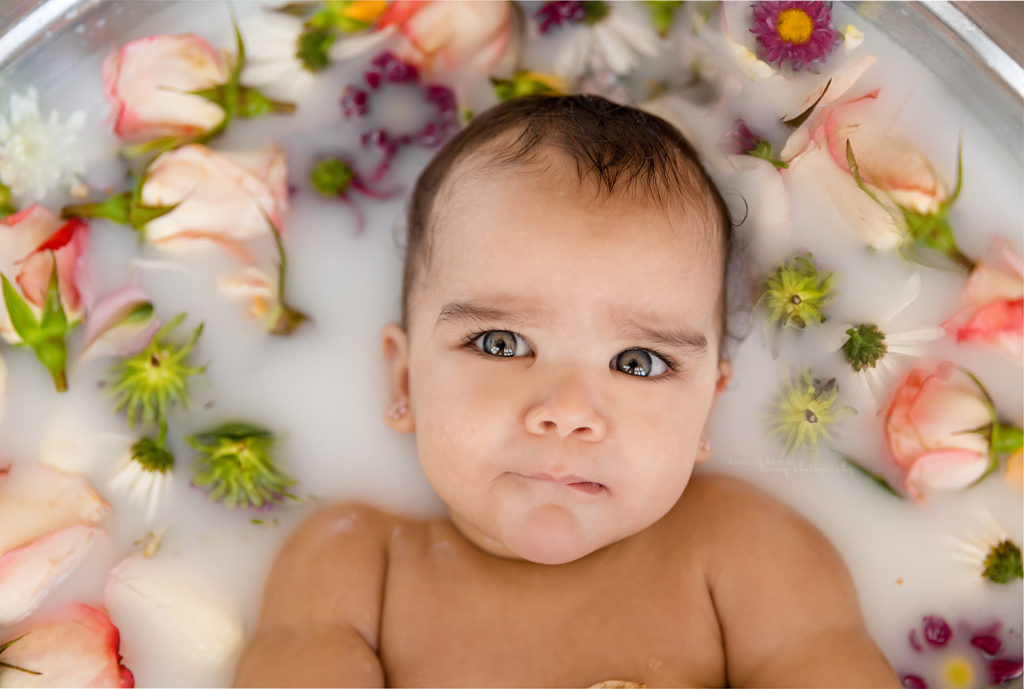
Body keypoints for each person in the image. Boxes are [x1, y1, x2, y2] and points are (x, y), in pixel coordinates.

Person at [233, 94, 899, 688]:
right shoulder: (353, 568)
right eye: (501, 343)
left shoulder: (747, 554)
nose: (567, 412)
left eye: (637, 361)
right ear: (405, 379)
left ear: (709, 407)